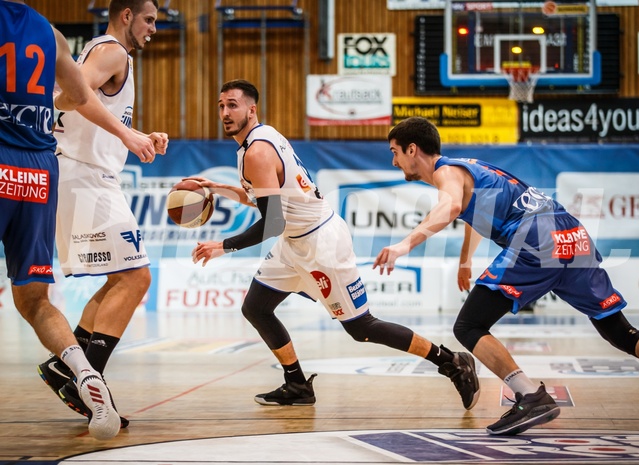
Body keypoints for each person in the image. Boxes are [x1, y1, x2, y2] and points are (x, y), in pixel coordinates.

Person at [374, 116, 639, 436]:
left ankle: (529, 395)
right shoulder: (468, 168)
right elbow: (476, 213)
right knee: (617, 329)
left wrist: (404, 245)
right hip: (570, 234)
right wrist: (464, 261)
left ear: (412, 149)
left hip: (536, 240)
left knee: (468, 326)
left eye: (394, 151)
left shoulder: (447, 172)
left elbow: (451, 207)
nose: (394, 160)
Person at [189, 79, 479, 408]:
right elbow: (266, 199)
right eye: (221, 106)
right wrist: (218, 187)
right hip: (293, 241)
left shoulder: (257, 151)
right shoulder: (262, 138)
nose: (225, 112)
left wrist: (223, 246)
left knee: (362, 328)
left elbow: (272, 221)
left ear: (251, 109)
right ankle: (296, 384)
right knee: (255, 307)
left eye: (233, 105)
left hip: (320, 244)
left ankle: (450, 361)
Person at [36, 0, 168, 428]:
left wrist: (137, 133)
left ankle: (69, 369)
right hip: (83, 176)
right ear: (126, 15)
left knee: (121, 278)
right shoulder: (113, 50)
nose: (153, 28)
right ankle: (86, 381)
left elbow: (74, 102)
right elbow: (72, 98)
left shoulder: (101, 50)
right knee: (136, 277)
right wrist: (128, 135)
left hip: (81, 173)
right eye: (149, 19)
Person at [0, 0, 121, 440]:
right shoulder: (46, 30)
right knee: (35, 301)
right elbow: (78, 96)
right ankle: (86, 375)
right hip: (37, 168)